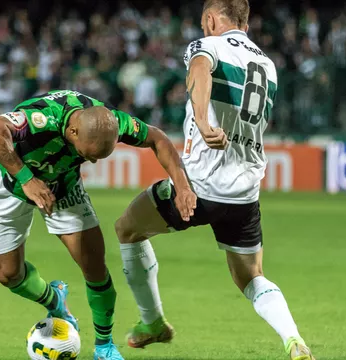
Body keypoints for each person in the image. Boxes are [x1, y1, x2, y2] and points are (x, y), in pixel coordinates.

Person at [114, 1, 316, 359]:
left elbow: (200, 70)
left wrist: (204, 122)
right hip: (243, 193)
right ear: (246, 24)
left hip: (197, 185)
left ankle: (153, 322)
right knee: (251, 278)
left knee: (127, 228)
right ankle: (293, 339)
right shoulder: (267, 65)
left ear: (210, 19)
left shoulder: (207, 46)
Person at [0, 89, 195, 360]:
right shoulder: (41, 119)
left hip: (64, 187)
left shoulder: (113, 120)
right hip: (10, 183)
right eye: (88, 154)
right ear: (74, 132)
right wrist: (27, 179)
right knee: (8, 274)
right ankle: (55, 301)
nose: (90, 160)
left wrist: (182, 187)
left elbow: (157, 138)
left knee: (94, 268)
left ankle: (104, 346)